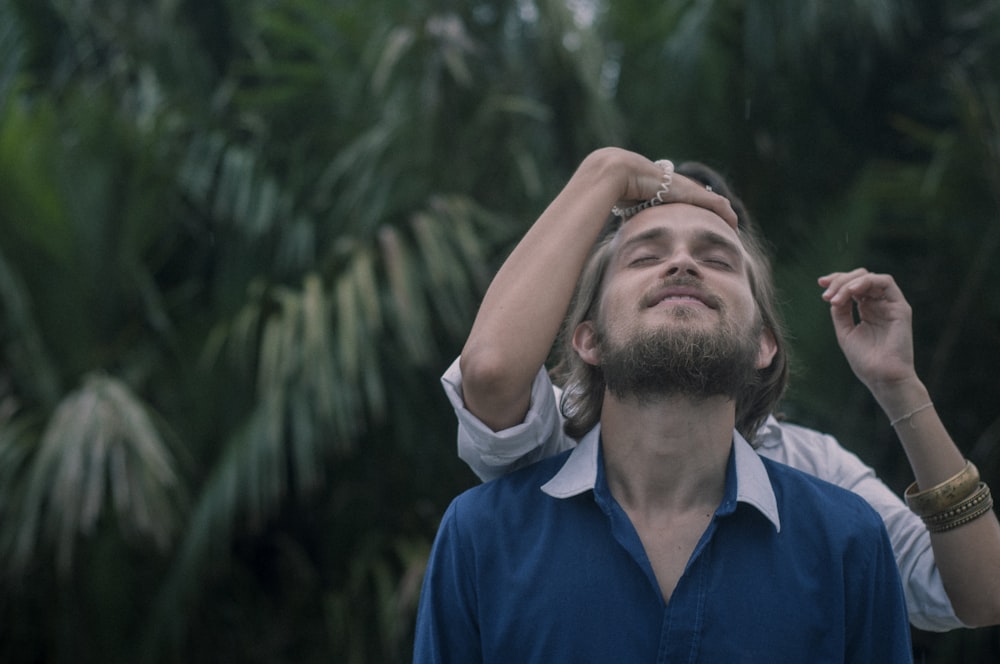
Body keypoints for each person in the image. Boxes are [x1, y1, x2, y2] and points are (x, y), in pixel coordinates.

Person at [441, 150, 1000, 633]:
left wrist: (898, 386)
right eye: (645, 254)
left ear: (763, 342)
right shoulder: (545, 447)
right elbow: (489, 372)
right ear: (589, 338)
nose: (682, 263)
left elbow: (982, 594)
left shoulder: (823, 488)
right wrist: (608, 173)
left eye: (716, 257)